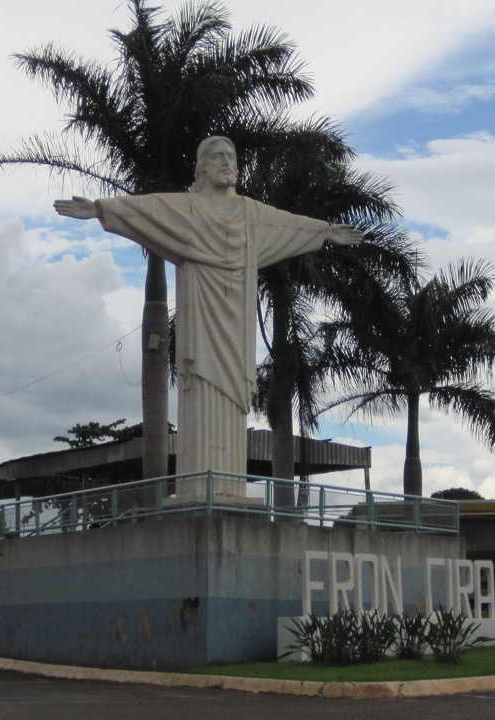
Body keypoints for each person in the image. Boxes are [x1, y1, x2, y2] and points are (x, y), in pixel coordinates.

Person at [55, 136, 362, 494]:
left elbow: (287, 225)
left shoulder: (251, 214)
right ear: (201, 167)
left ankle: (226, 491)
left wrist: (324, 233)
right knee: (201, 385)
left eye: (231, 156)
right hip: (200, 314)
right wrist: (100, 210)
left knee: (231, 399)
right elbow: (149, 210)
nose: (226, 162)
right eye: (217, 157)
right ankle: (200, 492)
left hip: (236, 324)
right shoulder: (186, 209)